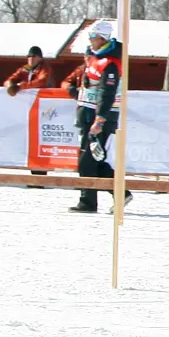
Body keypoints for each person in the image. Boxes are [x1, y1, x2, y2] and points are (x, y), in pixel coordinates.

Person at [70, 21, 130, 213]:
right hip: (89, 114)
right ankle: (120, 192)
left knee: (87, 161)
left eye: (93, 37)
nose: (90, 40)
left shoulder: (110, 63)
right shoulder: (96, 58)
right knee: (93, 158)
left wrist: (100, 120)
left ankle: (88, 201)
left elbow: (107, 92)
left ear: (102, 38)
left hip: (99, 117)